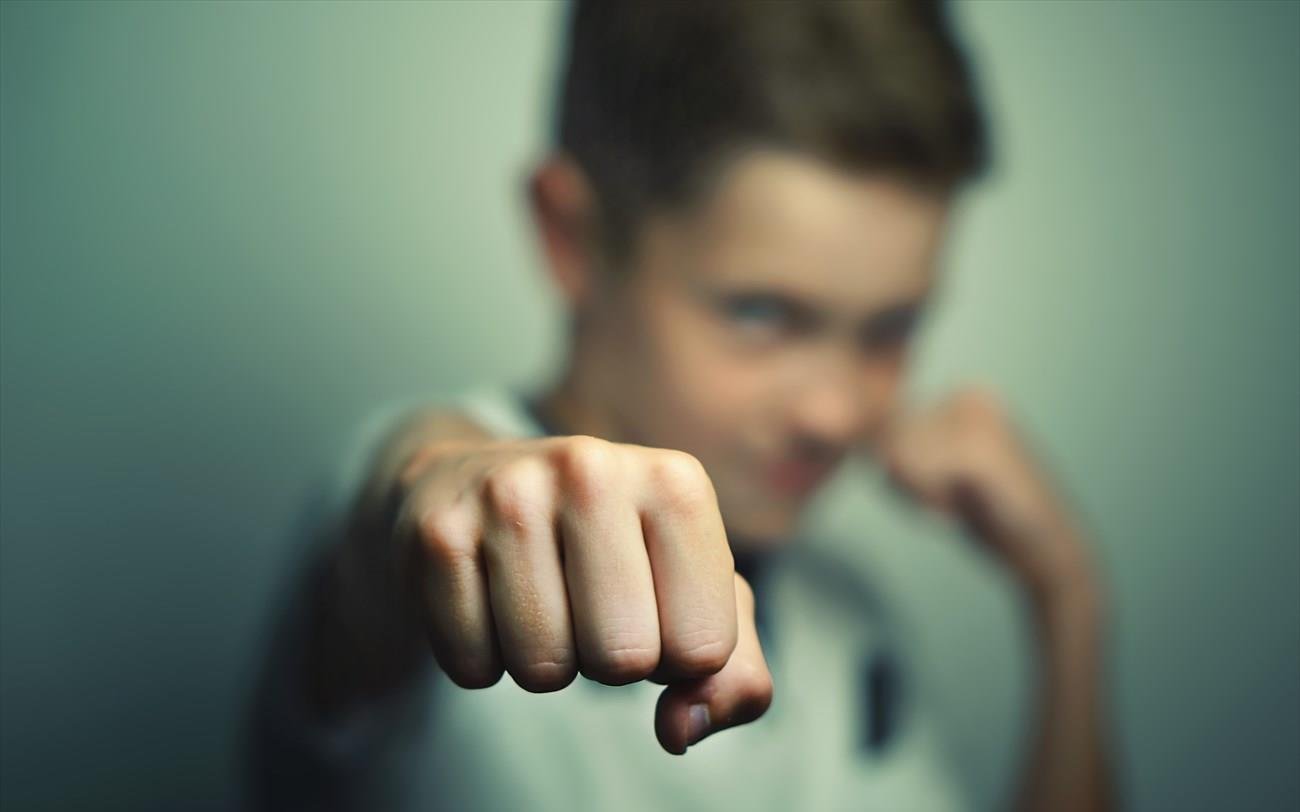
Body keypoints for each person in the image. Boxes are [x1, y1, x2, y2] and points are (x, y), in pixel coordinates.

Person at [249, 2, 1117, 809]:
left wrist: (1069, 597)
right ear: (571, 236)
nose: (836, 413)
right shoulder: (412, 532)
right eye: (761, 313)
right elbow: (405, 512)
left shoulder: (850, 618)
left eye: (890, 329)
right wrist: (445, 477)